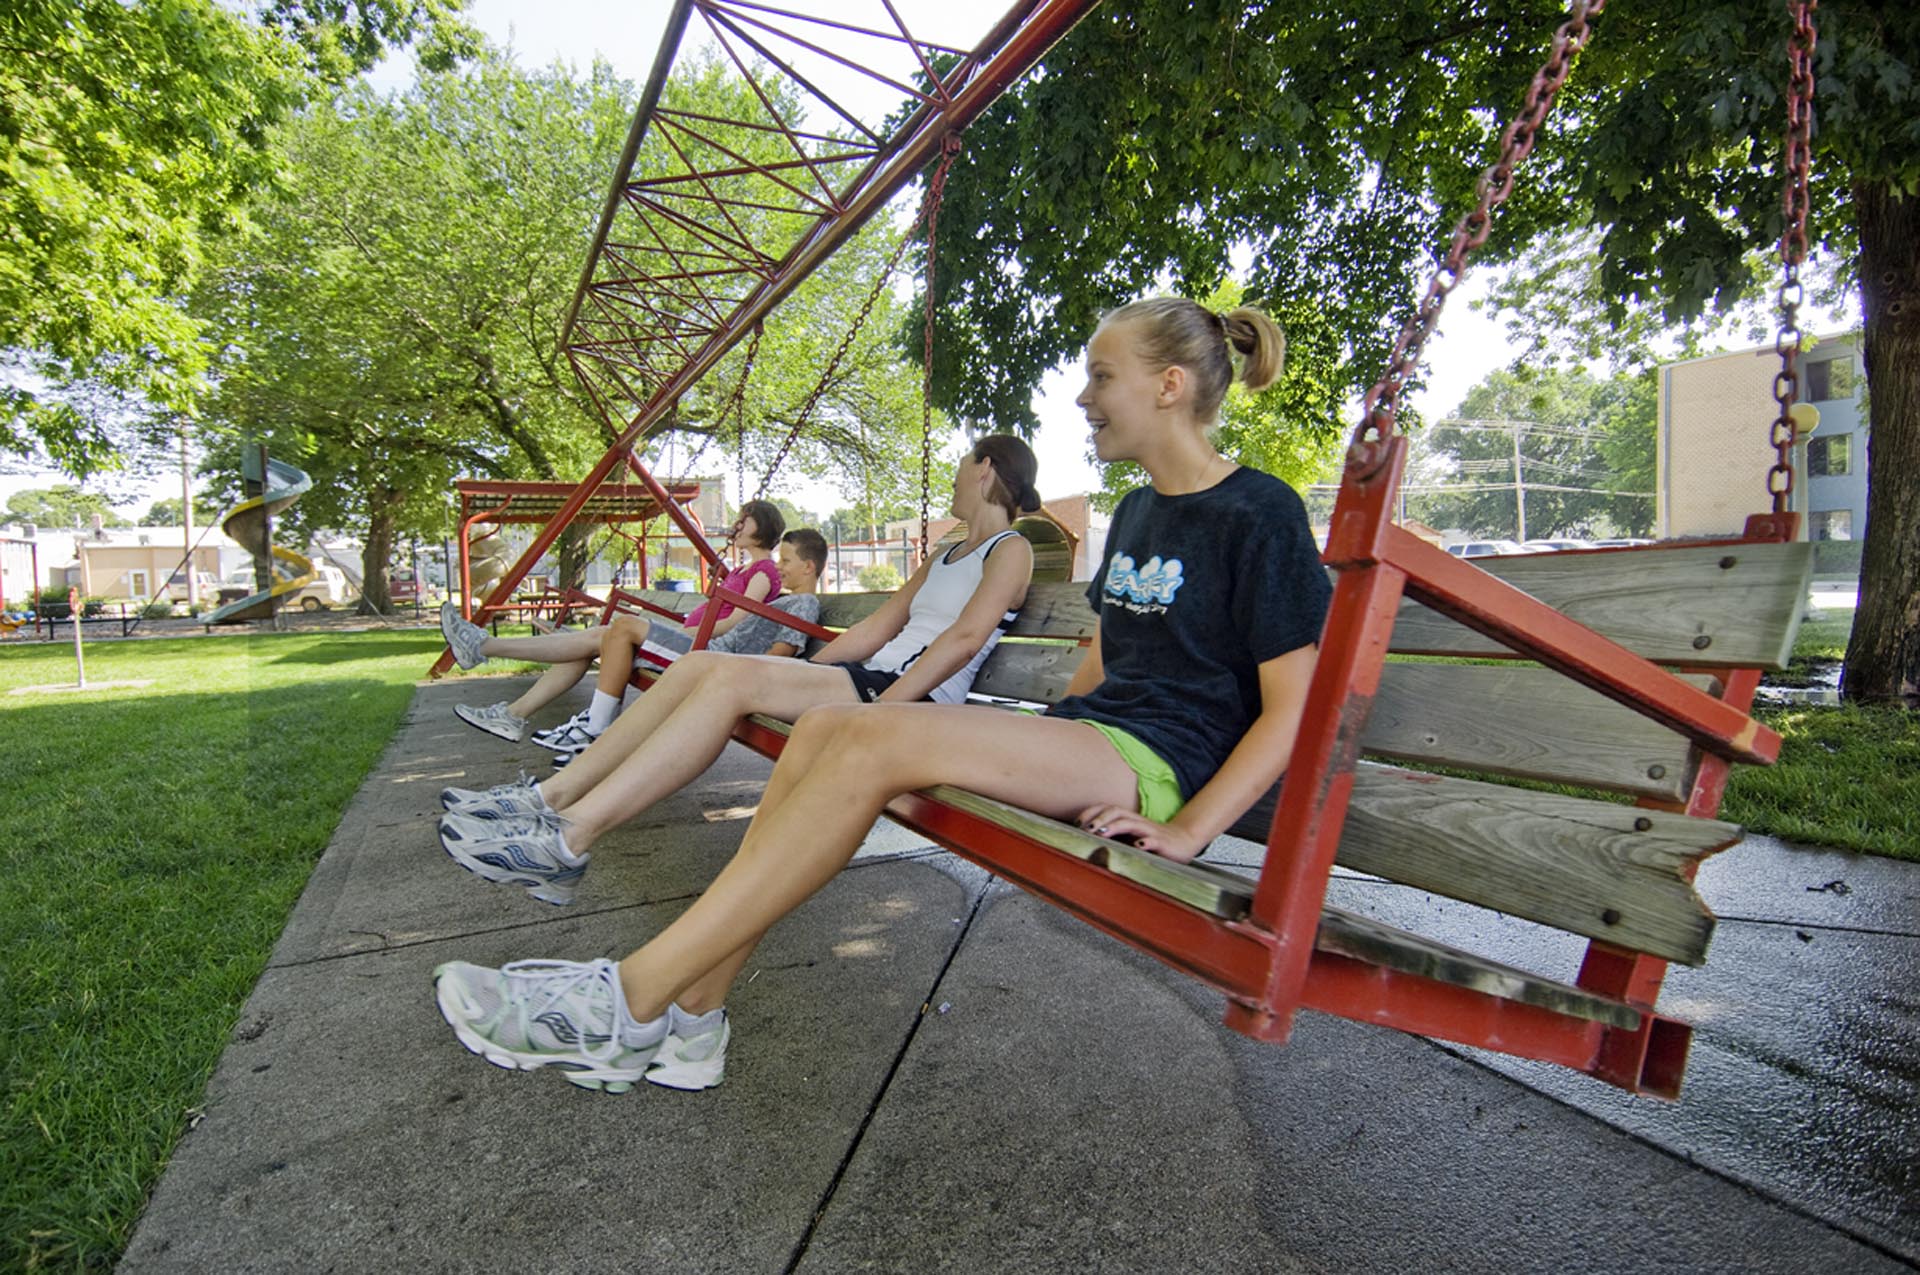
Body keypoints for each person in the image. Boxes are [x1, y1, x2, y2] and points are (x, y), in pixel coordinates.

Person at [433, 299, 1329, 1094]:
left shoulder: (1261, 513)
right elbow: (1101, 659)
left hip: (1161, 762)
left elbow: (1292, 706)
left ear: (1170, 385)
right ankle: (695, 1013)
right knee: (830, 722)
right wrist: (1048, 735)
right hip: (1095, 737)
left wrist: (1189, 831)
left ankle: (630, 1000)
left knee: (863, 736)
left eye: (1102, 374)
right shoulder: (1136, 515)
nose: (1083, 396)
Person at [435, 434, 1042, 905]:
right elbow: (872, 630)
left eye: (965, 465)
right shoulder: (945, 552)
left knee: (724, 676)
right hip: (871, 681)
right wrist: (805, 667)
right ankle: (553, 801)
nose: (957, 476)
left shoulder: (1010, 550)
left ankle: (568, 835)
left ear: (985, 467)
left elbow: (963, 639)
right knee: (703, 664)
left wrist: (884, 707)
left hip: (911, 700)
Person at [439, 501, 791, 744]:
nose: (738, 523)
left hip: (701, 650)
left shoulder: (764, 571)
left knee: (609, 633)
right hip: (691, 639)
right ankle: (511, 710)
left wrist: (682, 631)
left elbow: (738, 622)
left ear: (764, 526)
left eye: (746, 518)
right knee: (596, 640)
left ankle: (484, 649)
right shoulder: (743, 569)